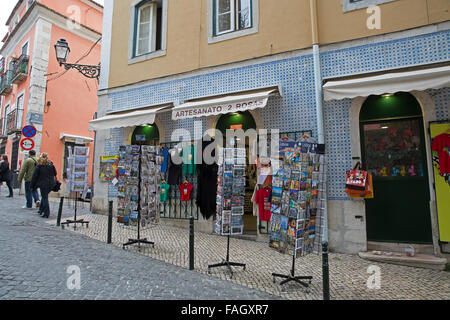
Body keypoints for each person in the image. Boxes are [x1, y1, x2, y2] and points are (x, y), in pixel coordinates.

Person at [31, 153, 57, 218]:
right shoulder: (51, 165)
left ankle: (46, 213)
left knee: (45, 197)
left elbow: (34, 176)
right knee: (44, 196)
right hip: (51, 184)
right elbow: (55, 173)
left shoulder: (39, 166)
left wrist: (32, 185)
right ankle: (41, 209)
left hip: (43, 184)